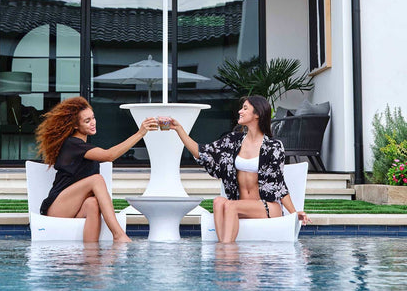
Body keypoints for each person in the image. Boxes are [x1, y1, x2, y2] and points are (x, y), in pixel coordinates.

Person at [169, 95, 311, 243]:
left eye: (245, 108)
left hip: (266, 206)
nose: (239, 111)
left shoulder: (272, 147)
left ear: (257, 114)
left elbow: (279, 184)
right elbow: (202, 152)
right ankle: (225, 249)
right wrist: (179, 130)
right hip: (239, 204)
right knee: (218, 202)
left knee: (230, 206)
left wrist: (294, 213)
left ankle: (226, 252)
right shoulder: (233, 141)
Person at [36, 96, 159, 243]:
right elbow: (109, 155)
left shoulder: (85, 146)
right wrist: (140, 133)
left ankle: (91, 257)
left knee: (93, 203)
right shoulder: (72, 144)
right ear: (75, 125)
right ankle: (119, 235)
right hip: (57, 208)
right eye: (87, 121)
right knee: (97, 180)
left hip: (76, 208)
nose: (93, 123)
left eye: (93, 118)